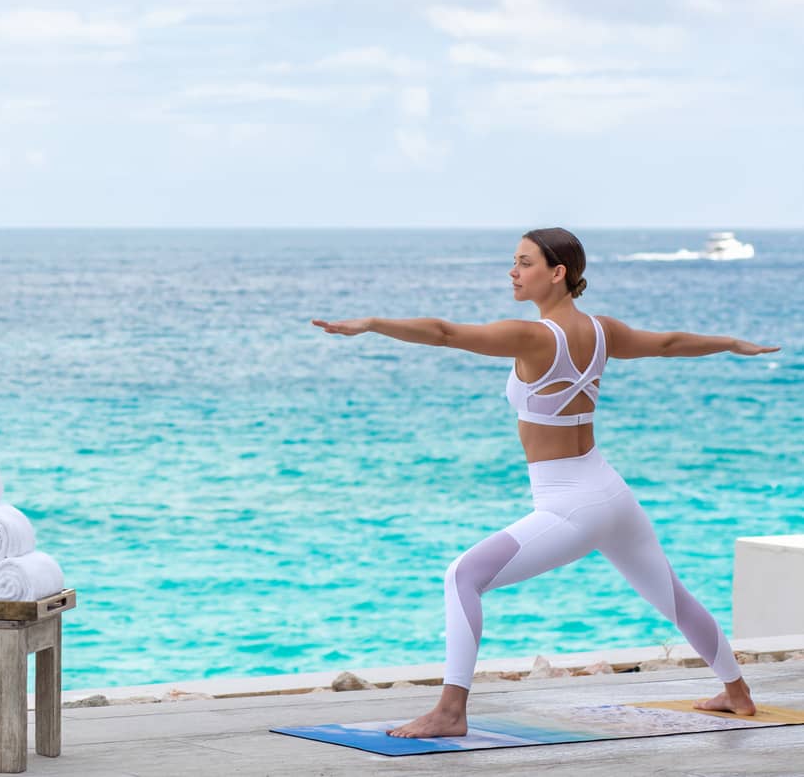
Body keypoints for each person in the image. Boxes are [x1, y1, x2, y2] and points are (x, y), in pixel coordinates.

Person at [311, 227, 780, 739]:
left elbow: (445, 332)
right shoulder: (602, 331)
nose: (513, 271)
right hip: (610, 492)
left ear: (558, 273)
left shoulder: (533, 336)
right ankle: (737, 693)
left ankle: (449, 711)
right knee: (673, 596)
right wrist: (730, 343)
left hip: (571, 504)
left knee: (462, 577)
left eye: (525, 262)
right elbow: (667, 344)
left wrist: (374, 323)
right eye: (513, 261)